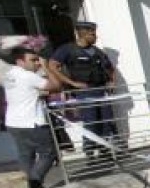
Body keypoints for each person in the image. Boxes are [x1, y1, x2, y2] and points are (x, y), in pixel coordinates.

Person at [49, 21, 118, 162]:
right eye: (92, 34)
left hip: (101, 90)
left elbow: (110, 68)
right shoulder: (67, 49)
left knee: (107, 120)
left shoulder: (97, 51)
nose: (95, 36)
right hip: (85, 92)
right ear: (83, 34)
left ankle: (106, 150)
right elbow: (52, 65)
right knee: (90, 122)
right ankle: (90, 153)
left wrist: (112, 81)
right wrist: (71, 83)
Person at [3, 46, 63, 188]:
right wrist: (46, 67)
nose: (37, 63)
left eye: (37, 60)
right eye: (33, 60)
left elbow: (25, 91)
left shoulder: (9, 75)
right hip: (32, 122)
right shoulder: (27, 76)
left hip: (14, 122)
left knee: (26, 156)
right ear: (20, 61)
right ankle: (34, 182)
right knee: (50, 153)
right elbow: (57, 86)